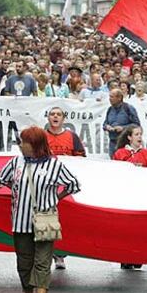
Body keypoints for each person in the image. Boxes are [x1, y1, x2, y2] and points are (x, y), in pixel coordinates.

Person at [0, 126, 80, 293]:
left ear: (34, 144)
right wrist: (17, 192)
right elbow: (2, 178)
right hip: (20, 220)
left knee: (42, 262)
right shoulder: (16, 162)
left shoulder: (53, 165)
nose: (20, 145)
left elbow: (73, 184)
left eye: (24, 142)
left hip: (45, 220)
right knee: (24, 262)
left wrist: (56, 198)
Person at [46, 106, 86, 269]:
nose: (55, 117)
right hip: (47, 185)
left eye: (58, 114)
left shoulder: (72, 137)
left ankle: (61, 254)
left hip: (66, 187)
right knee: (47, 220)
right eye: (52, 114)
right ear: (48, 118)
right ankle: (47, 254)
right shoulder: (42, 136)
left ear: (63, 119)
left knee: (65, 221)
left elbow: (81, 158)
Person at [113, 125, 147, 269]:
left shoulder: (146, 154)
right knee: (125, 229)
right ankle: (125, 257)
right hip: (125, 195)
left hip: (142, 196)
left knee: (140, 228)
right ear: (129, 137)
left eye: (140, 134)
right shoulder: (120, 153)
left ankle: (137, 257)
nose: (139, 137)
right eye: (136, 134)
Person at [103, 89, 140, 158]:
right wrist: (107, 127)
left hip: (125, 143)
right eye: (109, 97)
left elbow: (136, 125)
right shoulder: (110, 109)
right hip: (113, 143)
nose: (110, 99)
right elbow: (104, 124)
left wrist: (123, 128)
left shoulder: (128, 108)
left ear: (119, 98)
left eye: (112, 97)